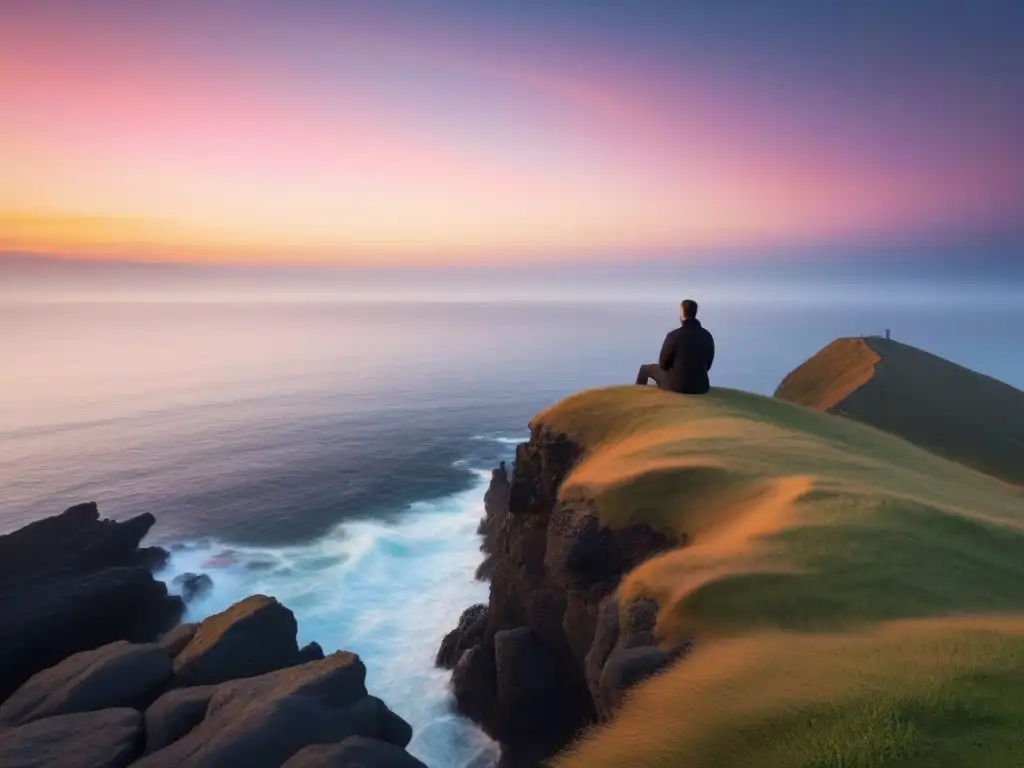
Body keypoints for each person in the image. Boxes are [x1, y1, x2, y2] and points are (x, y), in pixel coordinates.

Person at [635, 299, 715, 394]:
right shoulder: (707, 336)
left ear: (682, 313)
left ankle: (637, 397)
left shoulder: (673, 336)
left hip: (677, 386)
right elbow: (708, 365)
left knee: (645, 369)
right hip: (701, 386)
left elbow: (663, 364)